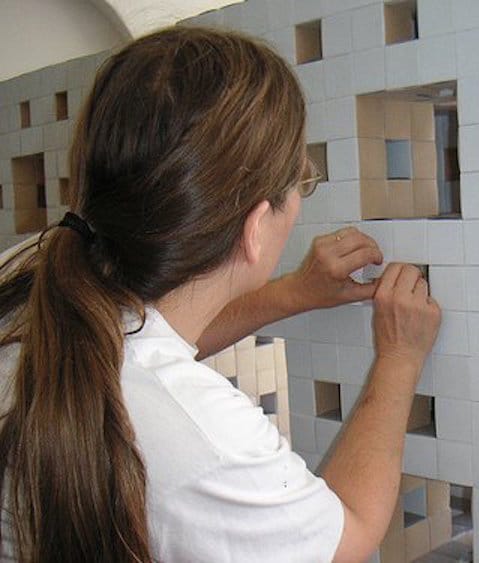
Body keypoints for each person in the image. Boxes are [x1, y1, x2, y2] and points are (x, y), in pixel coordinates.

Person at [0, 27, 440, 563]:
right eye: (300, 180)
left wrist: (291, 295)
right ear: (256, 227)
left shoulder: (34, 268)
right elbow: (346, 538)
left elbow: (137, 342)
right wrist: (399, 357)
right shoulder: (203, 442)